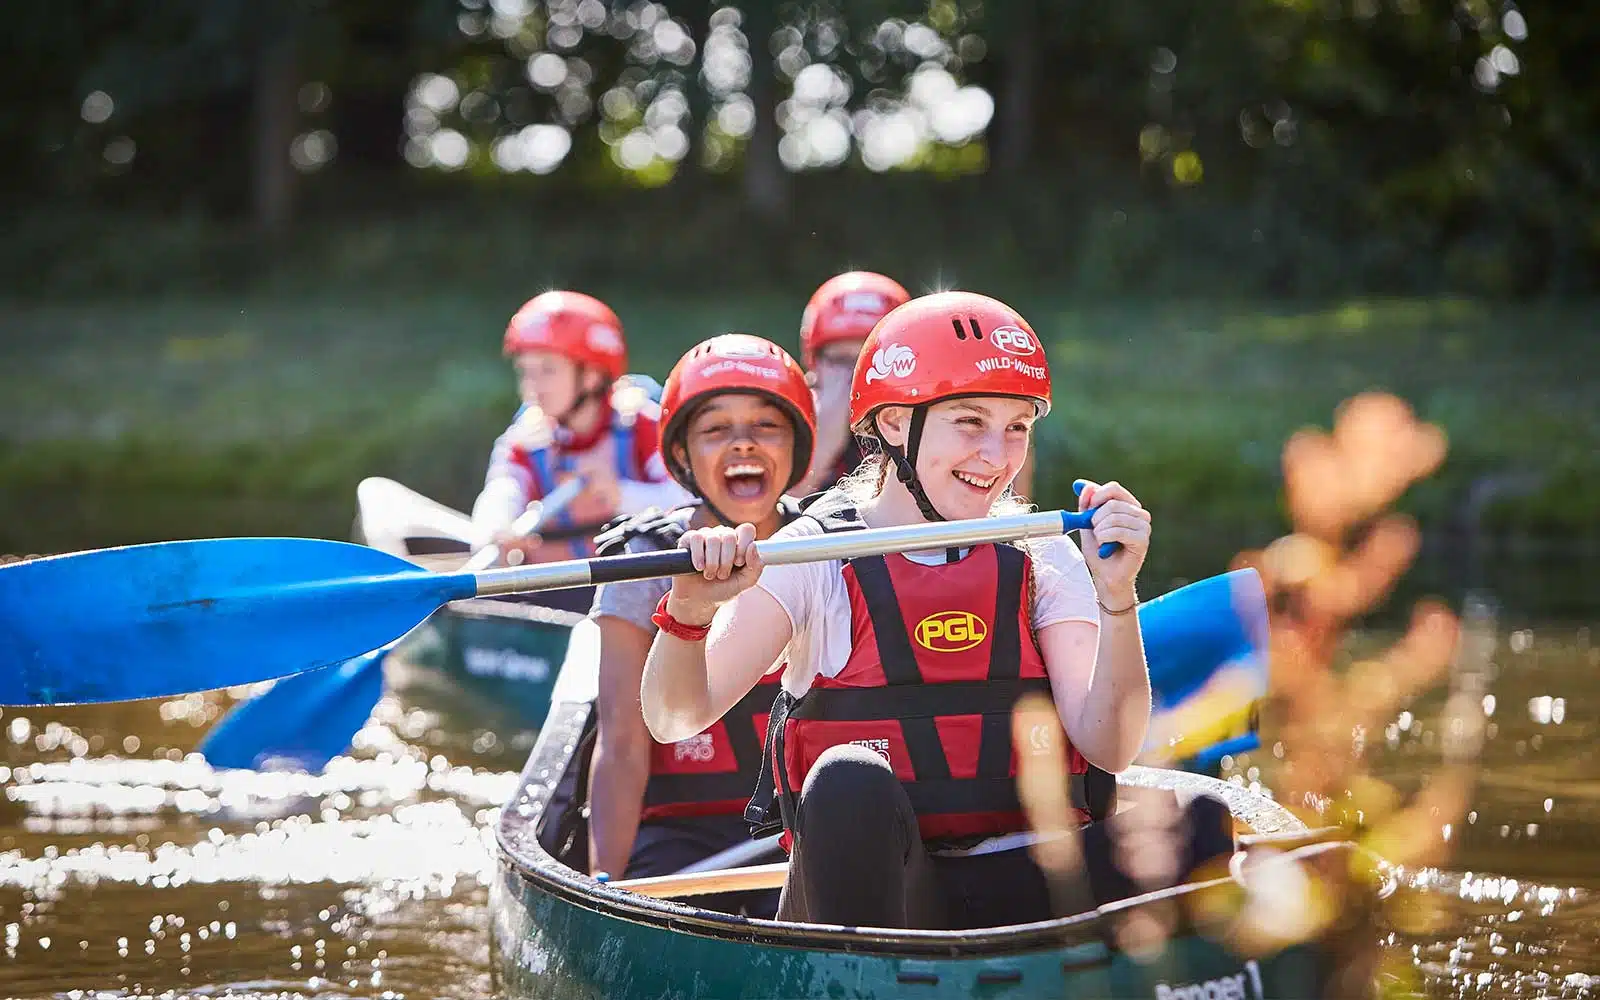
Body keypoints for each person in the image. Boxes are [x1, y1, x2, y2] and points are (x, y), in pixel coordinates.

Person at [638, 291, 1232, 929]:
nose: (998, 457)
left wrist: (1118, 598)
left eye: (1017, 428)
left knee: (1197, 820)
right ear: (895, 424)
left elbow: (1109, 747)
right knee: (848, 781)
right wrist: (690, 611)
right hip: (888, 896)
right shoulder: (813, 553)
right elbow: (676, 718)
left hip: (1027, 882)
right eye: (970, 422)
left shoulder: (1042, 552)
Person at [585, 333, 816, 913]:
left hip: (807, 826)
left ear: (796, 448)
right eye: (715, 429)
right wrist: (599, 883)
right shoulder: (644, 559)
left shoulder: (829, 544)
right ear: (684, 456)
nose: (743, 444)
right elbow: (621, 740)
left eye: (767, 426)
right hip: (681, 838)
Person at [471, 291, 688, 574]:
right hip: (551, 594)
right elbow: (502, 492)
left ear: (592, 375)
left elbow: (686, 502)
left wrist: (618, 494)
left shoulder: (643, 425)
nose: (532, 386)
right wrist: (498, 529)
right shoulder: (525, 440)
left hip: (632, 590)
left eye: (548, 370)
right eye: (525, 371)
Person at [792, 271, 911, 495]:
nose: (856, 378)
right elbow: (771, 519)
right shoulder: (786, 424)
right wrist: (823, 445)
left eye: (871, 361)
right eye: (840, 361)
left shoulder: (935, 419)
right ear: (814, 363)